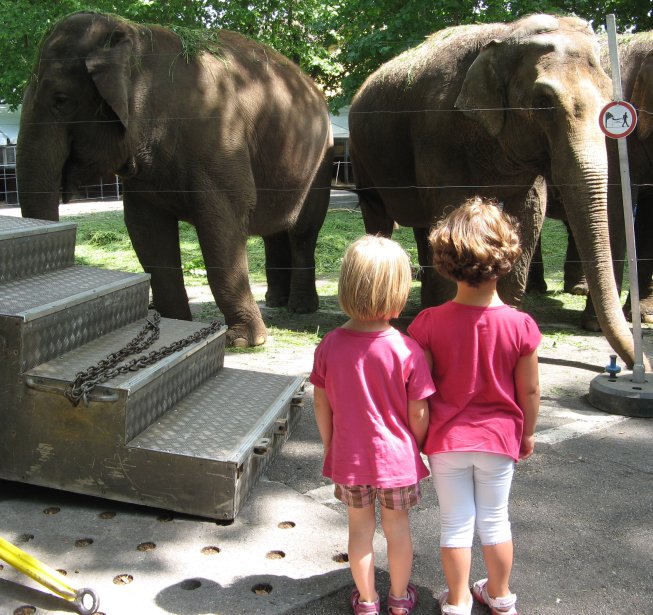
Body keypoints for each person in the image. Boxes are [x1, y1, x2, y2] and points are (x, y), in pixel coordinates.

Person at [407, 197, 541, 615]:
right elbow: (530, 391)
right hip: (499, 439)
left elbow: (420, 392)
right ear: (507, 259)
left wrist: (420, 437)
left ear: (445, 260)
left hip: (447, 441)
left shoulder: (427, 323)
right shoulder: (521, 325)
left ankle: (459, 600)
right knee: (495, 520)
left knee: (456, 523)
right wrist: (528, 433)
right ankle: (500, 596)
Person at [310, 235, 436, 615]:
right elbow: (419, 412)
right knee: (398, 530)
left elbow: (321, 402)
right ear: (398, 292)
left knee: (359, 531)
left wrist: (331, 443)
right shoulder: (406, 349)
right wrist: (414, 445)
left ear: (347, 286)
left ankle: (366, 601)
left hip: (349, 459)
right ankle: (399, 599)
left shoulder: (330, 344)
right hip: (397, 460)